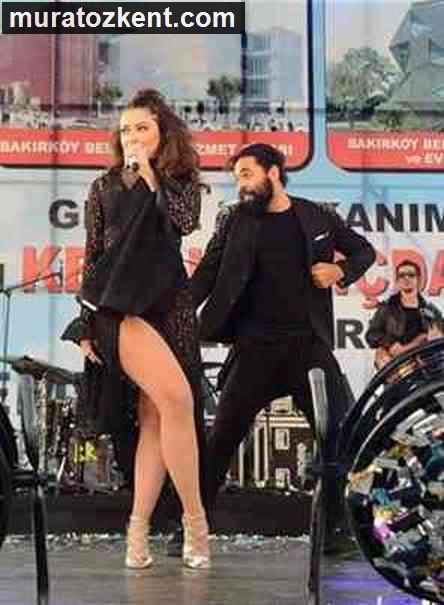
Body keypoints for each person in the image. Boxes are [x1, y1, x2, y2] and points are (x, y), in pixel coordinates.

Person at [189, 142, 376, 548]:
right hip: (254, 348)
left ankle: (334, 531)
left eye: (247, 174)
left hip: (308, 347)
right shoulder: (234, 220)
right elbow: (205, 275)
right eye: (237, 177)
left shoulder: (316, 216)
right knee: (220, 440)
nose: (241, 184)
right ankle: (192, 528)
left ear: (273, 172)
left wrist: (340, 270)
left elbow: (365, 251)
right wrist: (177, 315)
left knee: (336, 436)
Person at [61, 88, 209, 570]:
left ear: (163, 133)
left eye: (142, 128)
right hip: (121, 310)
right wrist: (85, 321)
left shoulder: (180, 182)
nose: (132, 137)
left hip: (171, 306)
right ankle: (196, 522)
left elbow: (184, 222)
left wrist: (149, 176)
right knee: (178, 401)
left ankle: (137, 532)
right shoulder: (103, 187)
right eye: (125, 130)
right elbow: (94, 256)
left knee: (157, 417)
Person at [365, 260, 443, 372]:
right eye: (402, 275)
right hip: (396, 366)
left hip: (423, 366)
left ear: (418, 279)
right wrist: (390, 343)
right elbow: (371, 335)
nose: (406, 278)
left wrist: (436, 336)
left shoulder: (431, 310)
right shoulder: (387, 308)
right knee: (381, 354)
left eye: (411, 275)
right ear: (397, 281)